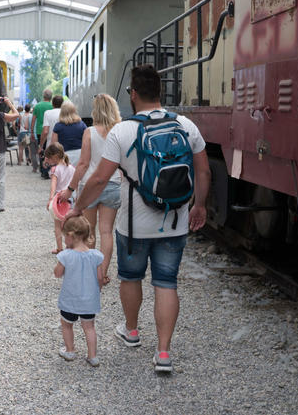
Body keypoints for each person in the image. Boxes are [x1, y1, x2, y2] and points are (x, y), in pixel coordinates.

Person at [64, 64, 211, 373]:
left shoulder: (123, 130)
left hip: (133, 226)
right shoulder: (186, 125)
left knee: (131, 277)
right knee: (166, 283)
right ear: (161, 91)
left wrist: (78, 206)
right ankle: (163, 353)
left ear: (133, 94)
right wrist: (199, 205)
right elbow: (204, 171)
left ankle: (131, 331)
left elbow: (99, 179)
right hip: (174, 221)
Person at [58, 94, 121, 287]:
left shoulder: (90, 132)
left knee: (89, 231)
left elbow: (83, 164)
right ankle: (102, 273)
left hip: (90, 186)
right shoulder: (119, 131)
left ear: (96, 111)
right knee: (107, 231)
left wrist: (70, 188)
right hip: (113, 184)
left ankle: (90, 273)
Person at [53, 216, 103, 366]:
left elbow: (57, 273)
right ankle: (92, 356)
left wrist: (61, 263)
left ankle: (70, 351)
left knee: (67, 324)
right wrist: (98, 290)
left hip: (70, 300)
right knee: (89, 327)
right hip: (89, 300)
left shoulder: (65, 255)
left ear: (70, 236)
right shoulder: (96, 255)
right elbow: (100, 278)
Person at [45, 142, 75, 254]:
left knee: (58, 226)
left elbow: (53, 185)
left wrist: (50, 199)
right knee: (69, 225)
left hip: (58, 201)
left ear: (55, 157)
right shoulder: (71, 168)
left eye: (49, 158)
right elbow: (75, 183)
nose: (48, 161)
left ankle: (60, 248)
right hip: (69, 199)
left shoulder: (56, 169)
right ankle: (70, 247)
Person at [51, 101, 87, 166]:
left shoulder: (58, 126)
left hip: (64, 156)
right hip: (79, 156)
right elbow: (86, 143)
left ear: (62, 112)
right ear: (74, 111)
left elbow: (54, 145)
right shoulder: (82, 125)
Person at [32, 90, 53, 177]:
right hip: (50, 130)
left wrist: (32, 132)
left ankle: (42, 169)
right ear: (51, 97)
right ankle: (48, 169)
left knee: (41, 149)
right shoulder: (52, 106)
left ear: (43, 96)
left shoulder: (37, 106)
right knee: (50, 150)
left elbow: (33, 120)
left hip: (39, 131)